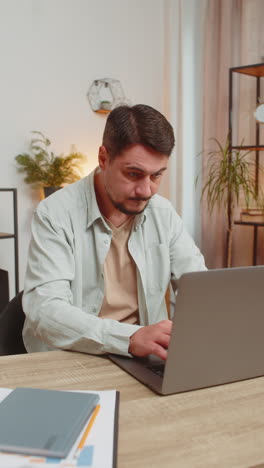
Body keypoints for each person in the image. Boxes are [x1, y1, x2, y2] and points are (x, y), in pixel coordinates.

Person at [22, 104, 206, 360]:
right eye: (134, 174)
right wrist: (128, 338)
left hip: (144, 359)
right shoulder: (55, 213)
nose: (147, 190)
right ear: (103, 158)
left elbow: (199, 288)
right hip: (71, 357)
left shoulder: (162, 212)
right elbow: (44, 310)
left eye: (157, 176)